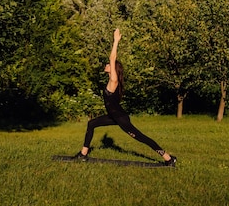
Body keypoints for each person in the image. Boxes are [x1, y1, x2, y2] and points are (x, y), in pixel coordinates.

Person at [74, 28, 177, 166]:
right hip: (113, 116)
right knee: (91, 124)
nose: (106, 65)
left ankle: (168, 158)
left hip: (121, 119)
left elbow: (112, 58)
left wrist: (116, 41)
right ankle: (83, 154)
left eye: (108, 65)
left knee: (141, 138)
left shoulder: (113, 81)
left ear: (114, 69)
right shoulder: (111, 81)